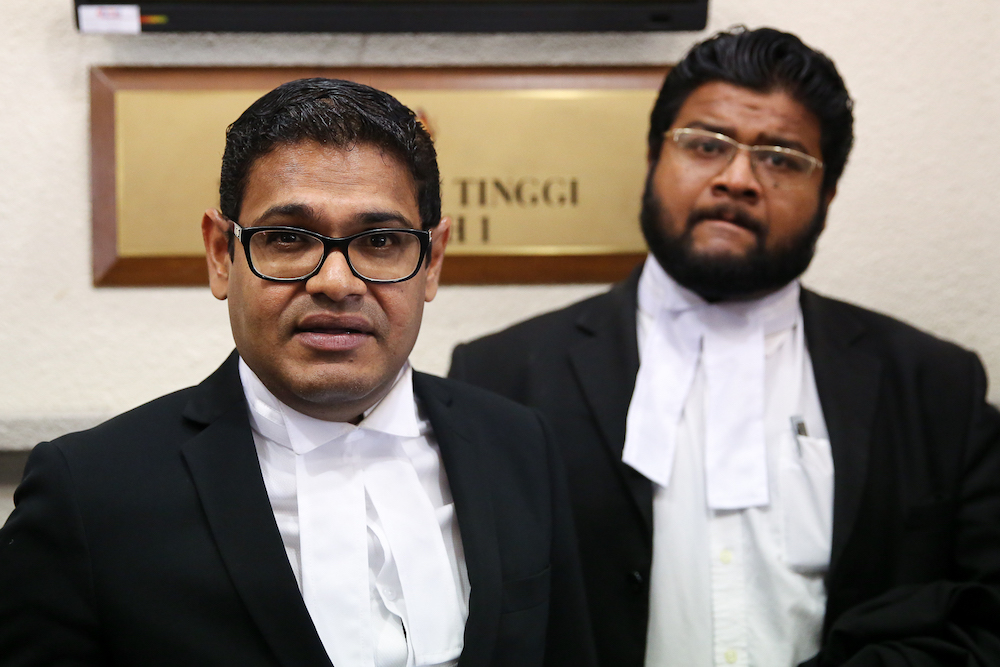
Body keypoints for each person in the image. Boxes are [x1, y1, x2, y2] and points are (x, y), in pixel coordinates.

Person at [449, 27, 1000, 667]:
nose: (738, 178)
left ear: (828, 195)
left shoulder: (935, 387)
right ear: (654, 159)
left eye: (782, 158)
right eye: (706, 145)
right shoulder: (501, 376)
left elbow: (985, 618)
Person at [0, 78, 596, 667]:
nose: (335, 282)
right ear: (219, 254)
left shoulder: (519, 445)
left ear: (431, 261)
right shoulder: (90, 493)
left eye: (381, 240)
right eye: (287, 237)